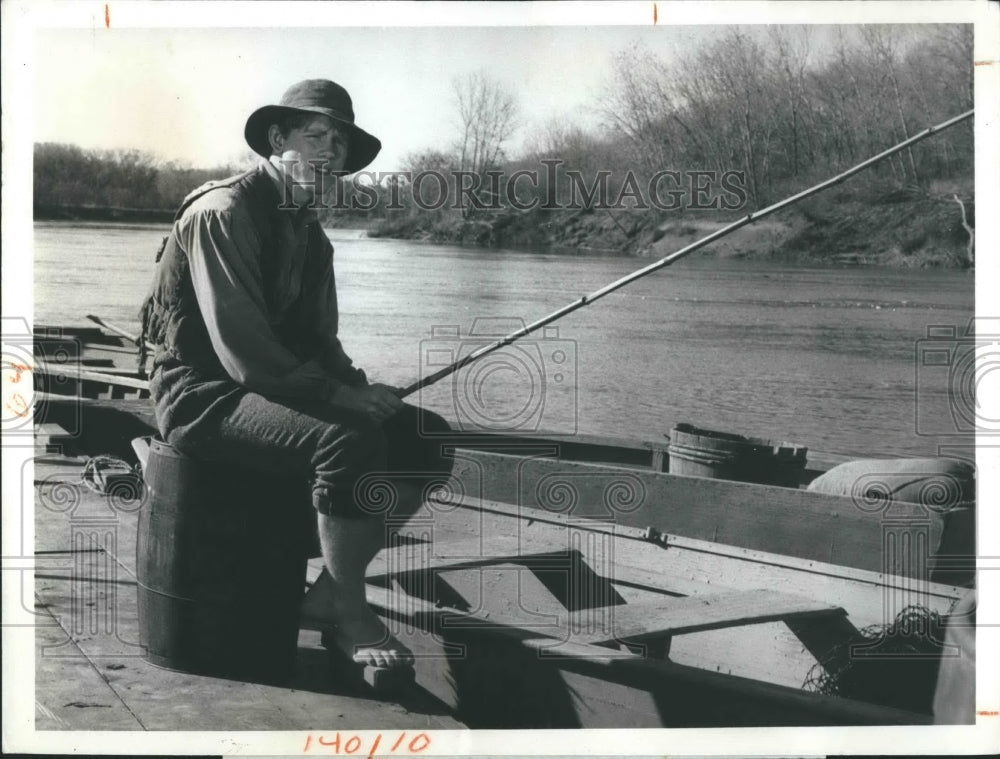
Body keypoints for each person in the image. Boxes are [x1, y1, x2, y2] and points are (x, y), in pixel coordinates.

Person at [139, 79, 453, 671]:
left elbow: (319, 343)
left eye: (339, 144)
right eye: (316, 135)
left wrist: (358, 389)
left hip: (265, 391)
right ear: (276, 139)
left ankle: (332, 591)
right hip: (200, 398)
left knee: (424, 437)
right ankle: (352, 612)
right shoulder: (221, 212)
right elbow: (243, 354)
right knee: (348, 438)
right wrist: (338, 400)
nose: (329, 154)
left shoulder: (311, 235)